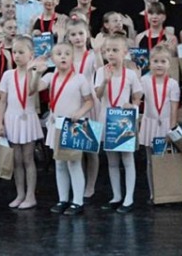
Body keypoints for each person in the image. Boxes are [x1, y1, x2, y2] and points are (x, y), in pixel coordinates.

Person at [32, 42, 94, 215]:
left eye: (67, 53)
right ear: (53, 59)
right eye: (59, 54)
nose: (63, 56)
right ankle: (63, 199)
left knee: (74, 162)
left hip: (73, 125)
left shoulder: (80, 78)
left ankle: (78, 201)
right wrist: (37, 73)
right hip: (56, 125)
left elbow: (89, 101)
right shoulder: (50, 77)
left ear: (73, 57)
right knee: (59, 163)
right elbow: (34, 88)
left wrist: (79, 113)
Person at [95, 34, 142, 213]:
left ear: (124, 52)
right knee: (112, 161)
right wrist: (105, 81)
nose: (110, 54)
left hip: (123, 120)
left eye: (115, 50)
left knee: (127, 159)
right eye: (107, 50)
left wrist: (133, 106)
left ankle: (129, 198)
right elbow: (98, 95)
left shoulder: (130, 74)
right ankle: (116, 196)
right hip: (107, 119)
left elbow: (137, 96)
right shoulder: (101, 71)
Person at [0, 36, 43, 209]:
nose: (16, 55)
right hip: (12, 118)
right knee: (16, 160)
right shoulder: (8, 75)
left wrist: (34, 72)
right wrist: (0, 123)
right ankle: (20, 194)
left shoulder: (34, 74)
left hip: (28, 118)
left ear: (31, 54)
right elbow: (3, 101)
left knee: (28, 158)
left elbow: (32, 91)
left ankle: (31, 195)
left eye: (21, 52)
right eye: (14, 52)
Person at [66, 18, 103, 200]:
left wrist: (98, 52)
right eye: (73, 34)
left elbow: (101, 71)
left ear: (87, 34)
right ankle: (77, 184)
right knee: (76, 150)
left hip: (90, 102)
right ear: (68, 37)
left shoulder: (92, 55)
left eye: (81, 33)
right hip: (73, 102)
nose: (78, 37)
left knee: (91, 149)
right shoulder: (67, 56)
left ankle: (91, 185)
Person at [138, 44, 180, 203]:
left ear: (169, 64)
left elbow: (174, 108)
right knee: (151, 161)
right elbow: (137, 98)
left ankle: (167, 192)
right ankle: (153, 193)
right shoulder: (144, 80)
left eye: (163, 61)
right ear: (150, 63)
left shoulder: (173, 84)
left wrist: (172, 129)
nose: (159, 65)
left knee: (166, 160)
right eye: (155, 61)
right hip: (150, 124)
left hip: (166, 126)